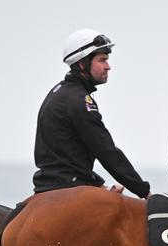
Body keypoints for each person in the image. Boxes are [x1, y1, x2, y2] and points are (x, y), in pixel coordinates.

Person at [32, 29, 150, 199]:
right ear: (82, 64)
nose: (108, 66)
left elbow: (65, 159)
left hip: (50, 186)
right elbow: (106, 151)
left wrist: (100, 185)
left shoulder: (59, 92)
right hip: (69, 190)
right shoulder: (80, 101)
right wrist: (144, 191)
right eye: (102, 60)